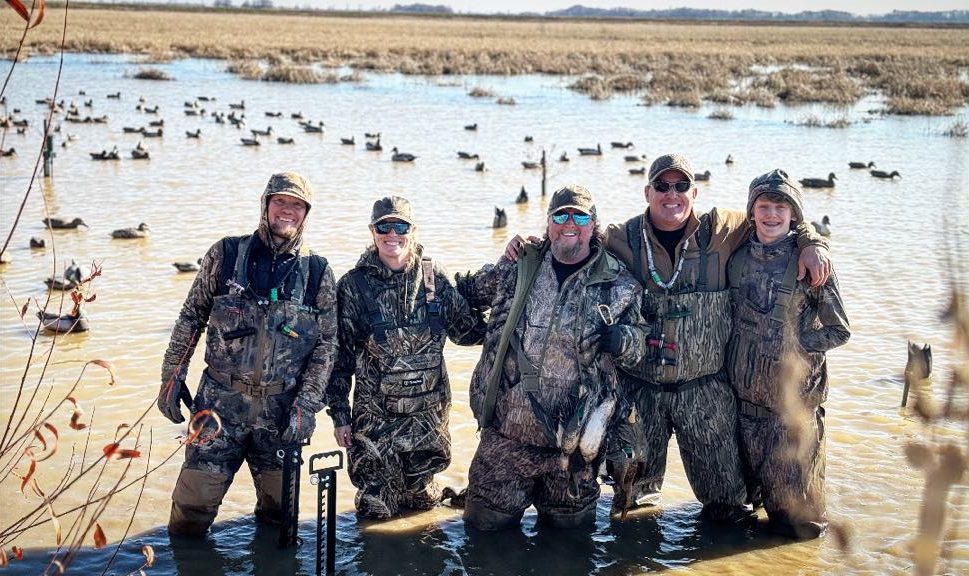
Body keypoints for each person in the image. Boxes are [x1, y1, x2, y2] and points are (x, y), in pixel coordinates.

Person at [600, 154, 831, 521]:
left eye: (680, 186)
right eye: (662, 185)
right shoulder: (621, 237)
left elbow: (780, 218)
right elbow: (570, 236)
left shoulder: (724, 228)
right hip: (641, 391)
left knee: (728, 507)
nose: (671, 194)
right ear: (648, 192)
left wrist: (812, 243)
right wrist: (526, 245)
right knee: (631, 505)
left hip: (706, 393)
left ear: (695, 192)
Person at [458, 185, 648, 530]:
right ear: (548, 223)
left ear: (594, 225)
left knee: (568, 553)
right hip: (505, 440)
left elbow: (639, 351)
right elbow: (464, 294)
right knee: (483, 541)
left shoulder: (619, 285)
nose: (569, 223)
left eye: (579, 216)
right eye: (561, 215)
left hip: (575, 453)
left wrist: (624, 340)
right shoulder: (519, 265)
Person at [158, 172, 337, 536]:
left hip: (281, 418)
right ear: (265, 205)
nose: (287, 211)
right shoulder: (224, 254)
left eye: (297, 205)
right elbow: (190, 317)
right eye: (280, 201)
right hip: (216, 412)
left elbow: (327, 346)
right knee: (188, 517)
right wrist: (171, 377)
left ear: (306, 213)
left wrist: (306, 407)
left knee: (279, 522)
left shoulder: (317, 272)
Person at [324, 196, 486, 520]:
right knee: (376, 512)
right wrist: (340, 415)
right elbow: (338, 359)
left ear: (413, 230)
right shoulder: (353, 287)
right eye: (384, 226)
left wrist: (499, 307)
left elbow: (466, 333)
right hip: (376, 426)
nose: (392, 234)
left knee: (423, 509)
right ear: (373, 231)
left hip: (427, 421)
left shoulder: (433, 278)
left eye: (401, 226)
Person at [726, 169, 850, 538]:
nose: (772, 214)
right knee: (740, 517)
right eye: (764, 206)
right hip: (745, 407)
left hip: (793, 412)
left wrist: (795, 348)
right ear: (752, 211)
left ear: (795, 214)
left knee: (800, 526)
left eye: (782, 207)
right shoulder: (737, 255)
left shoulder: (811, 262)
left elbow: (839, 329)